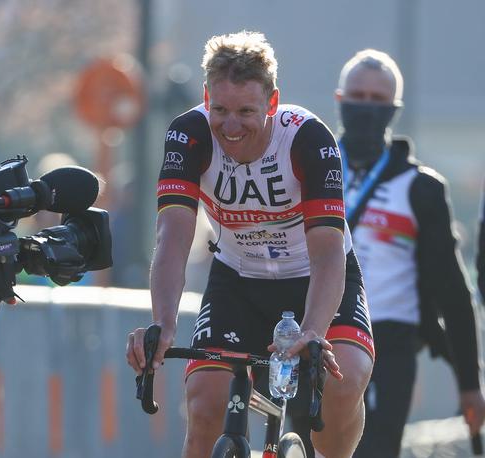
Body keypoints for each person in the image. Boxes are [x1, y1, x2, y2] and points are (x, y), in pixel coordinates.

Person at [126, 31, 374, 458]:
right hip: (238, 279)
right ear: (206, 97)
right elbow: (172, 237)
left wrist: (314, 330)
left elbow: (329, 252)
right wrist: (162, 325)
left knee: (343, 380)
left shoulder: (307, 140)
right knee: (205, 403)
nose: (231, 125)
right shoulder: (189, 135)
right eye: (219, 109)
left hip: (314, 278)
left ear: (272, 103)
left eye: (246, 111)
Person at [333, 49, 485, 458]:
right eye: (357, 97)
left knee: (375, 450)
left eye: (377, 101)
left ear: (393, 109)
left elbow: (453, 291)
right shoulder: (307, 172)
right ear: (339, 99)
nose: (366, 108)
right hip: (318, 337)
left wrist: (470, 384)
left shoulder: (422, 188)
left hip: (390, 343)